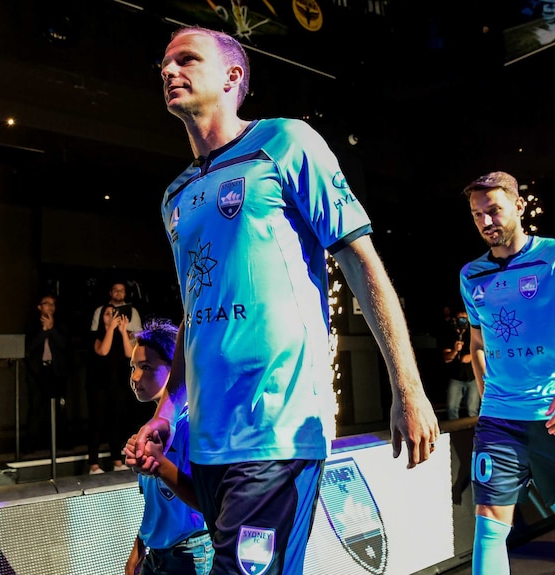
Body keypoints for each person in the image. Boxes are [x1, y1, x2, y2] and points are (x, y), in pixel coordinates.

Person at [125, 25, 440, 575]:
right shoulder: (174, 196)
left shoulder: (285, 141)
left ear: (232, 76)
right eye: (164, 63)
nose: (169, 70)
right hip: (209, 439)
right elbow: (195, 313)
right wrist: (168, 412)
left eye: (186, 59)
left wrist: (407, 387)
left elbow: (362, 264)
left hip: (279, 424)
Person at [459, 171, 555, 575]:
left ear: (519, 206)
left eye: (493, 210)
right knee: (489, 528)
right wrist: (488, 392)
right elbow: (477, 345)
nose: (486, 221)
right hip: (499, 421)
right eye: (478, 215)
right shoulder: (470, 274)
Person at [125, 318, 214, 575]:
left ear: (176, 368)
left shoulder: (193, 427)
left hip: (189, 555)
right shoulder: (152, 430)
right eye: (133, 367)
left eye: (146, 367)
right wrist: (138, 551)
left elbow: (205, 501)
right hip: (157, 554)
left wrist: (158, 465)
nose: (135, 377)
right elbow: (157, 506)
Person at [86, 303, 136, 474]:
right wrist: (110, 329)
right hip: (98, 385)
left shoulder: (120, 334)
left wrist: (122, 331)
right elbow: (103, 351)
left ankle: (117, 460)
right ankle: (93, 464)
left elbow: (130, 354)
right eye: (107, 314)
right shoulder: (98, 335)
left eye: (113, 313)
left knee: (116, 422)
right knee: (97, 423)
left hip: (117, 385)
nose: (111, 316)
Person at [24, 292, 71, 454]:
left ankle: (62, 441)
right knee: (35, 406)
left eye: (53, 304)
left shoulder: (61, 324)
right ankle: (32, 443)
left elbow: (64, 344)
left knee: (60, 406)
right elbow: (29, 347)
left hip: (56, 370)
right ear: (39, 307)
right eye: (46, 303)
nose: (50, 307)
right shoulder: (32, 324)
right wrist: (44, 330)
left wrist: (52, 329)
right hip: (37, 371)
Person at [442, 308, 479, 420]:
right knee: (452, 408)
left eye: (465, 318)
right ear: (455, 319)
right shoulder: (449, 334)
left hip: (472, 377)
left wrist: (471, 356)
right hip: (456, 378)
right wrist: (455, 350)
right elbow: (446, 358)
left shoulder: (474, 334)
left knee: (472, 410)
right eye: (460, 318)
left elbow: (484, 351)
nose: (463, 320)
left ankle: (473, 435)